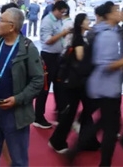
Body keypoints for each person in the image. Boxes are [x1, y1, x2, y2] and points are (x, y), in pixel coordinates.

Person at [68, 1, 123, 166]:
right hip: (106, 87)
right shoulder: (108, 35)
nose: (119, 13)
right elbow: (105, 65)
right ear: (109, 15)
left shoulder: (110, 32)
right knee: (110, 128)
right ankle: (101, 162)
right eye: (116, 10)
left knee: (103, 123)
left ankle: (76, 151)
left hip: (105, 86)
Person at [0, 7, 44, 167]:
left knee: (18, 159)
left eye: (1, 20)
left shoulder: (28, 48)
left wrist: (18, 99)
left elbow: (38, 80)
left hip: (15, 113)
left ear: (12, 27)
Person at [48, 13, 92, 153]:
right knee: (71, 113)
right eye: (86, 20)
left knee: (81, 110)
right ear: (81, 23)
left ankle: (87, 139)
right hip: (75, 81)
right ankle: (57, 141)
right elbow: (80, 57)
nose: (89, 22)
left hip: (77, 81)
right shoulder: (78, 38)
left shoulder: (81, 37)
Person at [34, 0, 71, 129]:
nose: (63, 15)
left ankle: (62, 114)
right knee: (44, 88)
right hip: (48, 57)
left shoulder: (58, 20)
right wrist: (63, 33)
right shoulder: (47, 21)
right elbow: (48, 41)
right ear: (56, 10)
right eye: (62, 12)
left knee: (59, 86)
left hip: (57, 57)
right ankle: (38, 117)